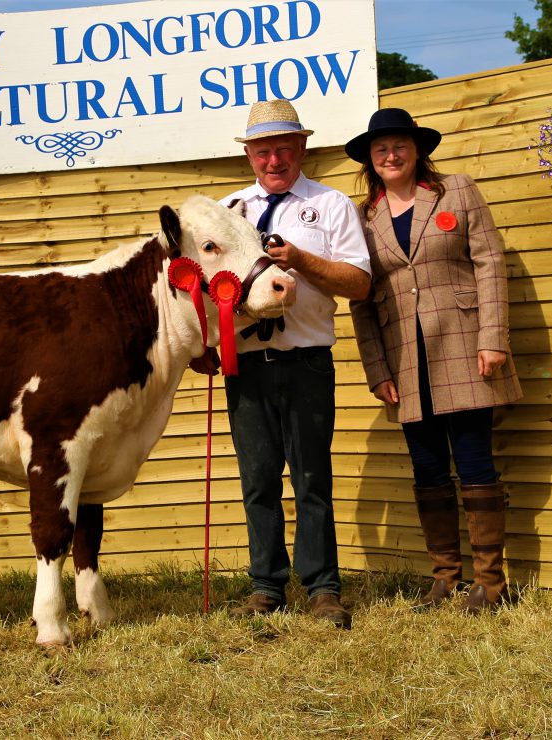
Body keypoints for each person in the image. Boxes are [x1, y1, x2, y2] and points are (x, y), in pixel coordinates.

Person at [344, 108, 523, 614]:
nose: (391, 155)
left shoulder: (457, 191)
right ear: (371, 160)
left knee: (474, 462)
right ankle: (445, 578)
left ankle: (490, 582)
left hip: (466, 346)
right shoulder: (365, 218)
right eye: (381, 150)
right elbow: (362, 301)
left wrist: (494, 338)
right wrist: (376, 370)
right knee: (427, 469)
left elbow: (490, 266)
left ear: (417, 150)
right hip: (404, 361)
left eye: (399, 145)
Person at [218, 99, 372, 628]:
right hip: (246, 366)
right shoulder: (228, 210)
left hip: (306, 360)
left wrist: (300, 260)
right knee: (257, 478)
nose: (273, 159)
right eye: (263, 150)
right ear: (249, 155)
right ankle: (266, 586)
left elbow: (359, 284)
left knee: (311, 477)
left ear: (301, 148)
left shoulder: (331, 205)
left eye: (283, 148)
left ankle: (323, 588)